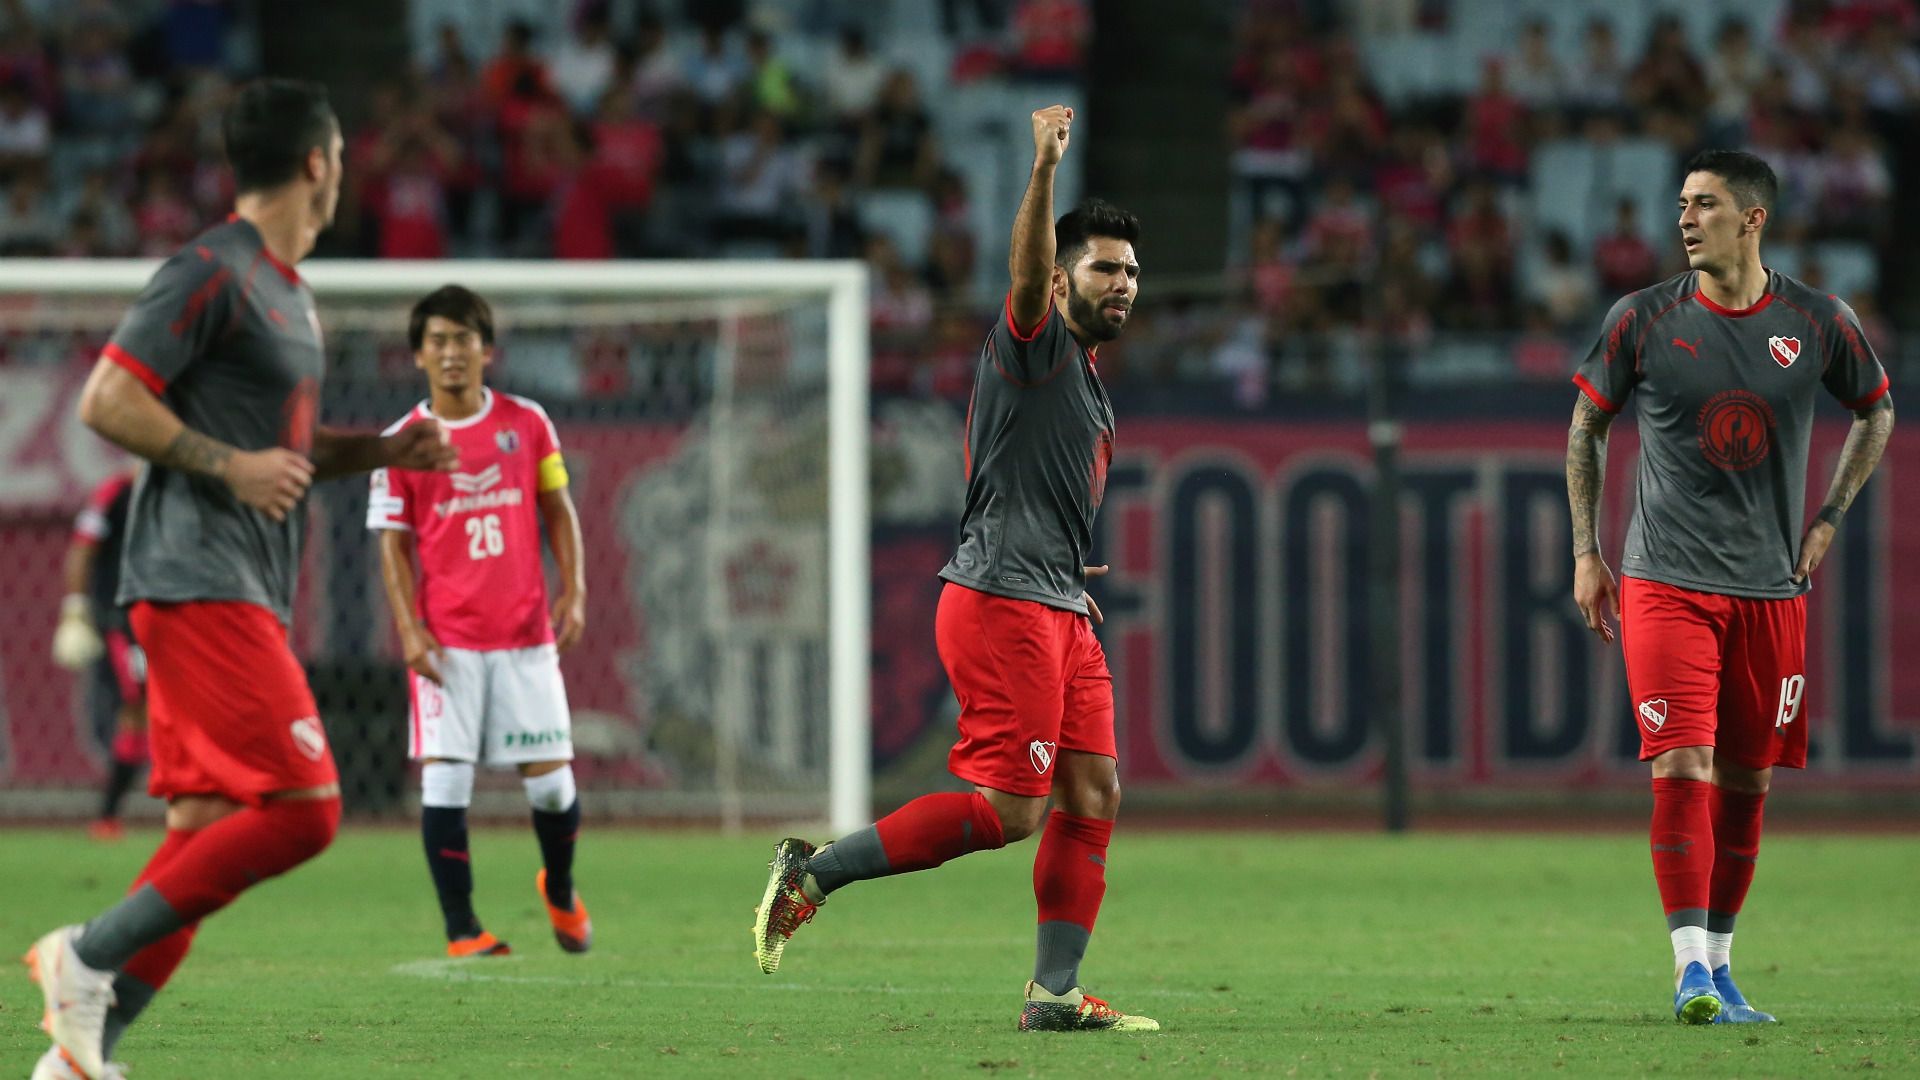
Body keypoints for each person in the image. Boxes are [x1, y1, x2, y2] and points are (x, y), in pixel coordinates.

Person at [23, 80, 459, 1080]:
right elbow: (107, 398)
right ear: (317, 162)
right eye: (341, 155)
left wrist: (386, 451)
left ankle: (75, 1060)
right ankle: (83, 956)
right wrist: (229, 466)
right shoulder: (210, 269)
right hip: (194, 578)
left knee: (202, 833)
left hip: (240, 581)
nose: (344, 173)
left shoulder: (289, 292)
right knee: (306, 808)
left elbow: (288, 456)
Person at [752, 105, 1158, 1033]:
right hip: (1002, 605)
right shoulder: (1033, 342)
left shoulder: (1087, 380)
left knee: (1094, 790)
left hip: (1059, 605)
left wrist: (1065, 557)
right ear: (1060, 282)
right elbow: (1020, 275)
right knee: (1013, 812)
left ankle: (1054, 994)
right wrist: (1043, 168)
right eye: (1105, 268)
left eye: (1132, 271)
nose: (1124, 283)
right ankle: (813, 872)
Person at [1566, 150, 1893, 1026]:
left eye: (1703, 205)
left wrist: (1828, 515)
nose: (1683, 218)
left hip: (1770, 590)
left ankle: (1721, 964)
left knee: (1748, 783)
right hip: (1665, 581)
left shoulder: (1817, 320)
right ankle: (1687, 972)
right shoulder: (1642, 317)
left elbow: (1877, 408)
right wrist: (1586, 553)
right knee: (1683, 762)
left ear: (1751, 219)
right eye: (1681, 203)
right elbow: (1587, 423)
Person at [366, 284, 590, 959]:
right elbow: (393, 544)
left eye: (464, 339)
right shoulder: (402, 443)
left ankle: (559, 885)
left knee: (553, 788)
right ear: (418, 356)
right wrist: (408, 627)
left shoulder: (528, 422)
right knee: (446, 780)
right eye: (438, 340)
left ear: (486, 351)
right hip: (448, 642)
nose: (452, 352)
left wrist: (573, 590)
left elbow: (558, 509)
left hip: (524, 635)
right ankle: (463, 928)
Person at [50, 466, 149, 842]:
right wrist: (75, 609)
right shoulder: (116, 493)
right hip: (122, 621)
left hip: (173, 618)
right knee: (138, 704)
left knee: (166, 708)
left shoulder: (188, 491)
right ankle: (109, 815)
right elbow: (82, 547)